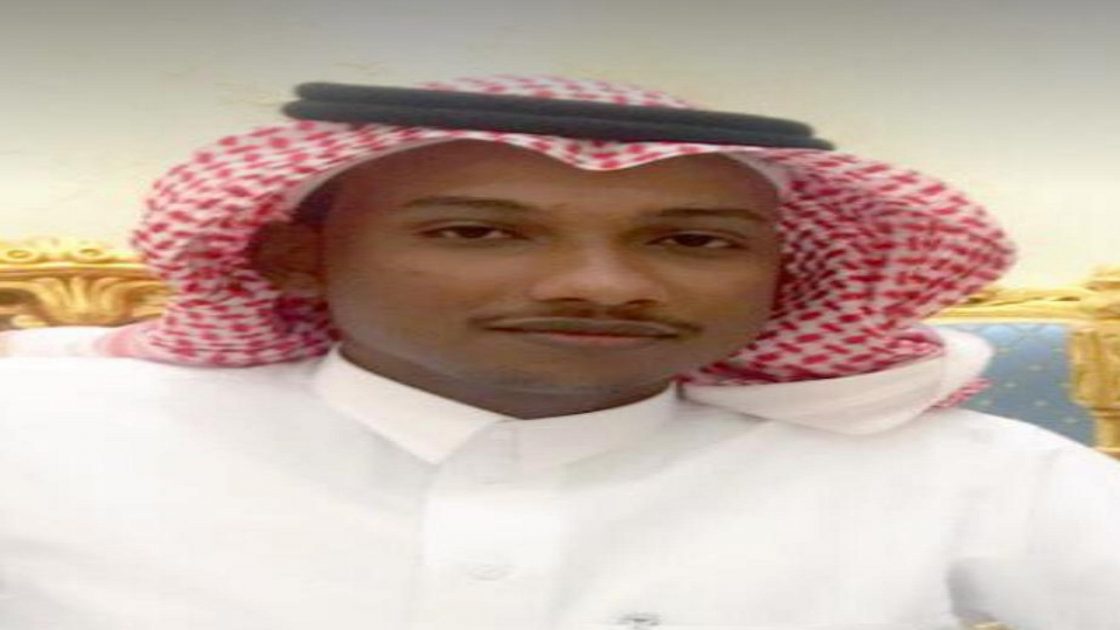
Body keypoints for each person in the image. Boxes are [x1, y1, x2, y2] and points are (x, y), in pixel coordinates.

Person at [1, 75, 1118, 630]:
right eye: (478, 233)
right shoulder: (43, 439)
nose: (602, 284)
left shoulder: (967, 479)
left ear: (785, 275)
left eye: (692, 241)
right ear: (294, 257)